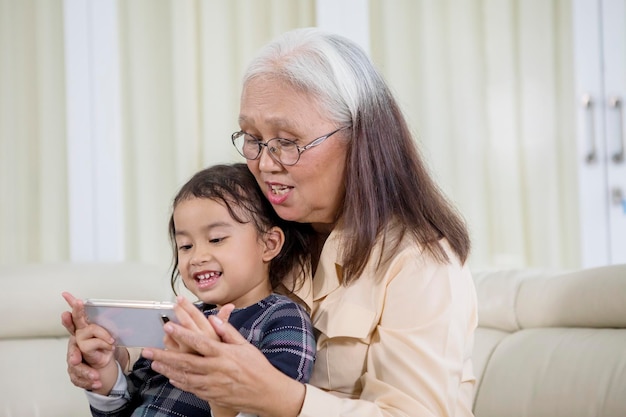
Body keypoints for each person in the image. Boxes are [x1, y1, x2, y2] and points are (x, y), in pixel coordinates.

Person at [65, 27, 478, 417]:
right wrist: (113, 371)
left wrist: (274, 393)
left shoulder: (421, 262)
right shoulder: (259, 242)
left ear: (360, 137)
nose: (264, 163)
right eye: (253, 138)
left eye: (287, 141)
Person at [62, 163, 316, 417]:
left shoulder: (285, 320)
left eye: (216, 239)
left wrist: (213, 376)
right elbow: (123, 409)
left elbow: (275, 407)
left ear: (269, 244)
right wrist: (104, 368)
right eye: (185, 245)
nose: (197, 257)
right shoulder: (176, 321)